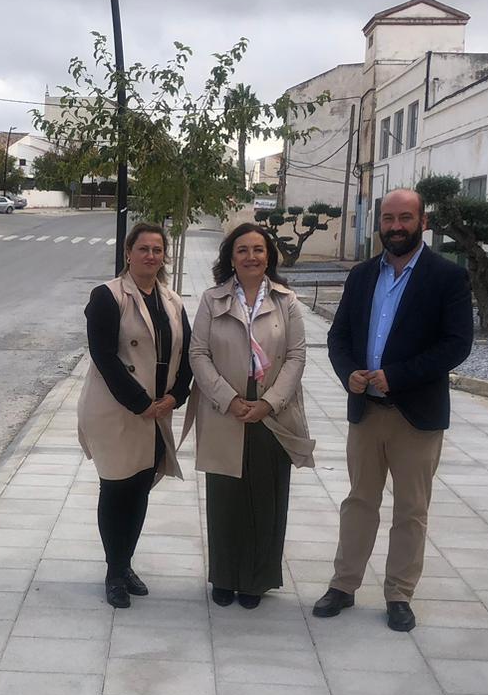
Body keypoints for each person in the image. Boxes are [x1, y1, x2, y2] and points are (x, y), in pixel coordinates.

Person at [314, 187, 473, 631]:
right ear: (379, 223)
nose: (396, 227)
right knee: (359, 501)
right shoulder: (362, 275)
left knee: (411, 508)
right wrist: (349, 373)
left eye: (405, 218)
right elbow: (338, 338)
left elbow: (457, 345)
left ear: (423, 222)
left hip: (416, 415)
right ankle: (344, 585)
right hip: (366, 412)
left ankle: (399, 593)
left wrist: (399, 375)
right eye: (388, 218)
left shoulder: (447, 277)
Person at [185, 223, 314, 609]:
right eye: (242, 250)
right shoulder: (213, 300)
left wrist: (269, 402)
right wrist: (228, 398)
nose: (251, 257)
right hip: (226, 411)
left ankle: (256, 580)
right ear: (230, 257)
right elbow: (198, 353)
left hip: (271, 413)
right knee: (225, 498)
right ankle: (224, 577)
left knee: (266, 498)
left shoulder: (286, 300)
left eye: (258, 249)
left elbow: (296, 355)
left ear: (268, 256)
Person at [77, 223, 192, 609]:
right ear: (128, 253)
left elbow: (188, 355)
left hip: (157, 411)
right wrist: (141, 403)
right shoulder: (107, 297)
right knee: (116, 487)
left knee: (141, 486)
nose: (150, 256)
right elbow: (104, 357)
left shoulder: (173, 302)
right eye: (143, 249)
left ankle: (125, 564)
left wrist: (175, 397)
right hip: (116, 409)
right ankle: (114, 571)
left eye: (157, 250)